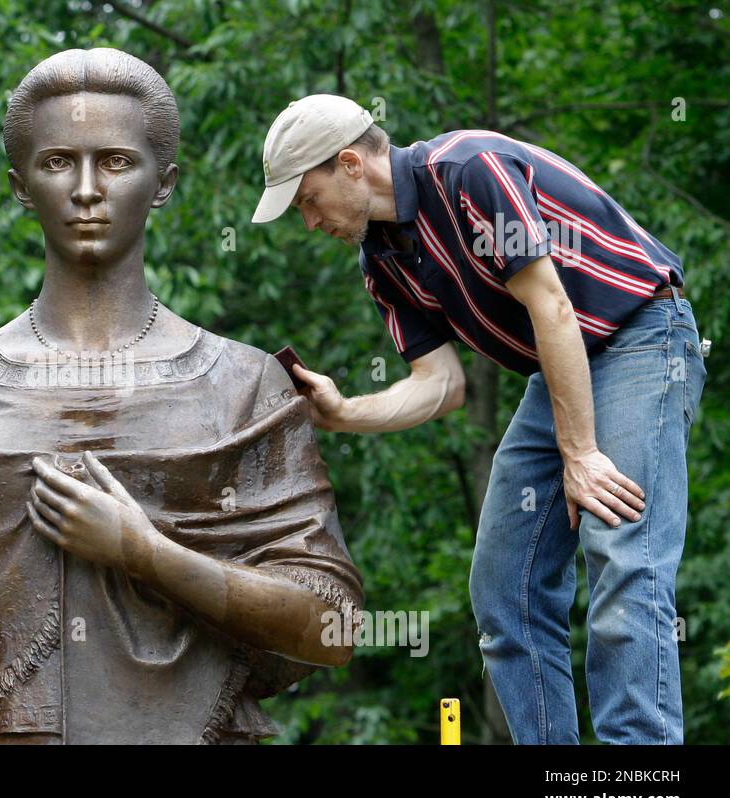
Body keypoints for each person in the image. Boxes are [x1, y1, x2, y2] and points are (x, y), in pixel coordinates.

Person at [0, 48, 363, 745]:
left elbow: (335, 626)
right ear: (22, 185)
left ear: (164, 182)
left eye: (115, 161)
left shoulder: (241, 386)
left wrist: (147, 554)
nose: (87, 188)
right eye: (58, 162)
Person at [252, 94, 706, 744]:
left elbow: (551, 305)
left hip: (640, 335)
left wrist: (579, 454)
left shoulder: (468, 169)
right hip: (559, 373)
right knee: (502, 590)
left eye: (307, 199)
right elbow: (442, 385)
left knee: (620, 552)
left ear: (349, 164)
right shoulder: (381, 260)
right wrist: (344, 413)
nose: (308, 221)